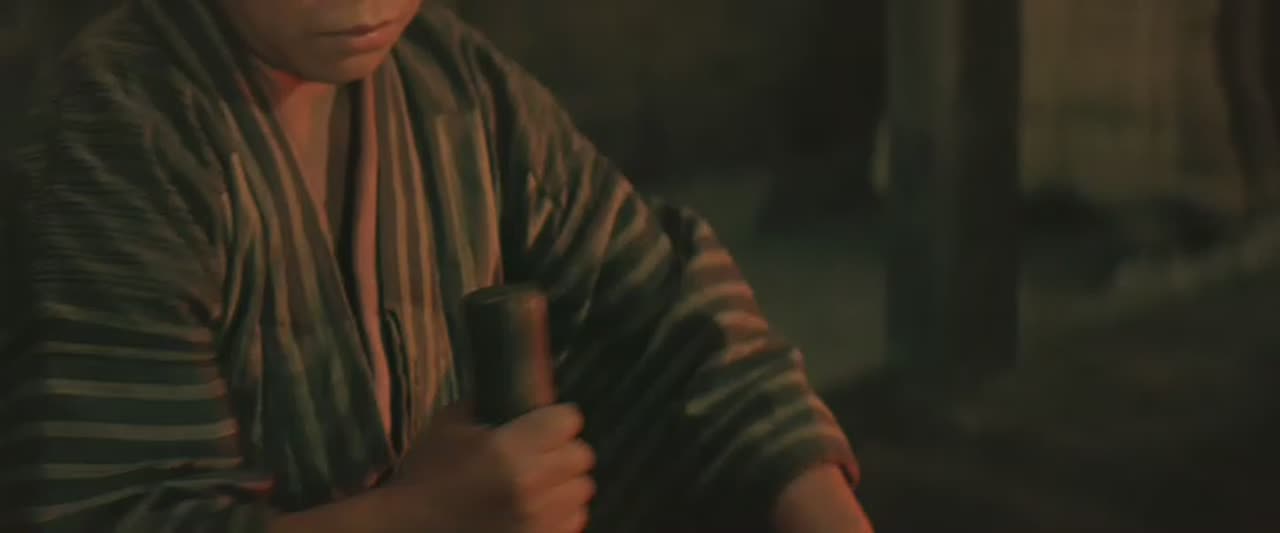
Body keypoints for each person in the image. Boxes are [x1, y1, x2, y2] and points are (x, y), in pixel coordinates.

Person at [0, 1, 874, 532]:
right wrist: (418, 518)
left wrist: (820, 505)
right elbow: (105, 511)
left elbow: (660, 310)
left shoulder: (450, 83)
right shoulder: (118, 135)